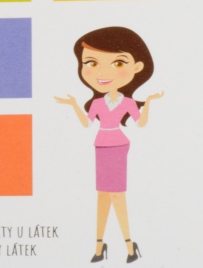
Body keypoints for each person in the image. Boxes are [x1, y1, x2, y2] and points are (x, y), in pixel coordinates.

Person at [55, 26, 164, 263]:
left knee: (117, 195)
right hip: (101, 146)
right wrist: (73, 104)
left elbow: (140, 123)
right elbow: (86, 124)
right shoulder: (96, 103)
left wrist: (149, 103)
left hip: (118, 146)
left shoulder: (127, 102)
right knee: (103, 196)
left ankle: (129, 245)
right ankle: (99, 245)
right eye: (91, 63)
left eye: (118, 63)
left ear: (137, 67)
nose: (103, 72)